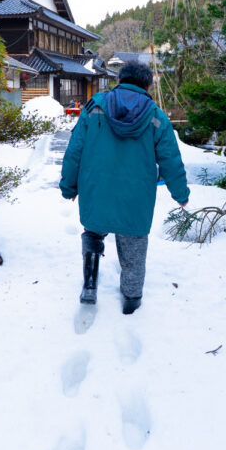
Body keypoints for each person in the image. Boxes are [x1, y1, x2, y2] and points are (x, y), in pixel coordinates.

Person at [59, 62, 189, 314]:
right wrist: (180, 194)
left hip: (96, 189)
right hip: (136, 197)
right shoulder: (156, 116)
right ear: (148, 86)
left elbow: (75, 150)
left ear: (119, 81)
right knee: (134, 248)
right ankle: (131, 299)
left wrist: (68, 186)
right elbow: (171, 160)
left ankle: (89, 284)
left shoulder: (94, 107)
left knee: (94, 234)